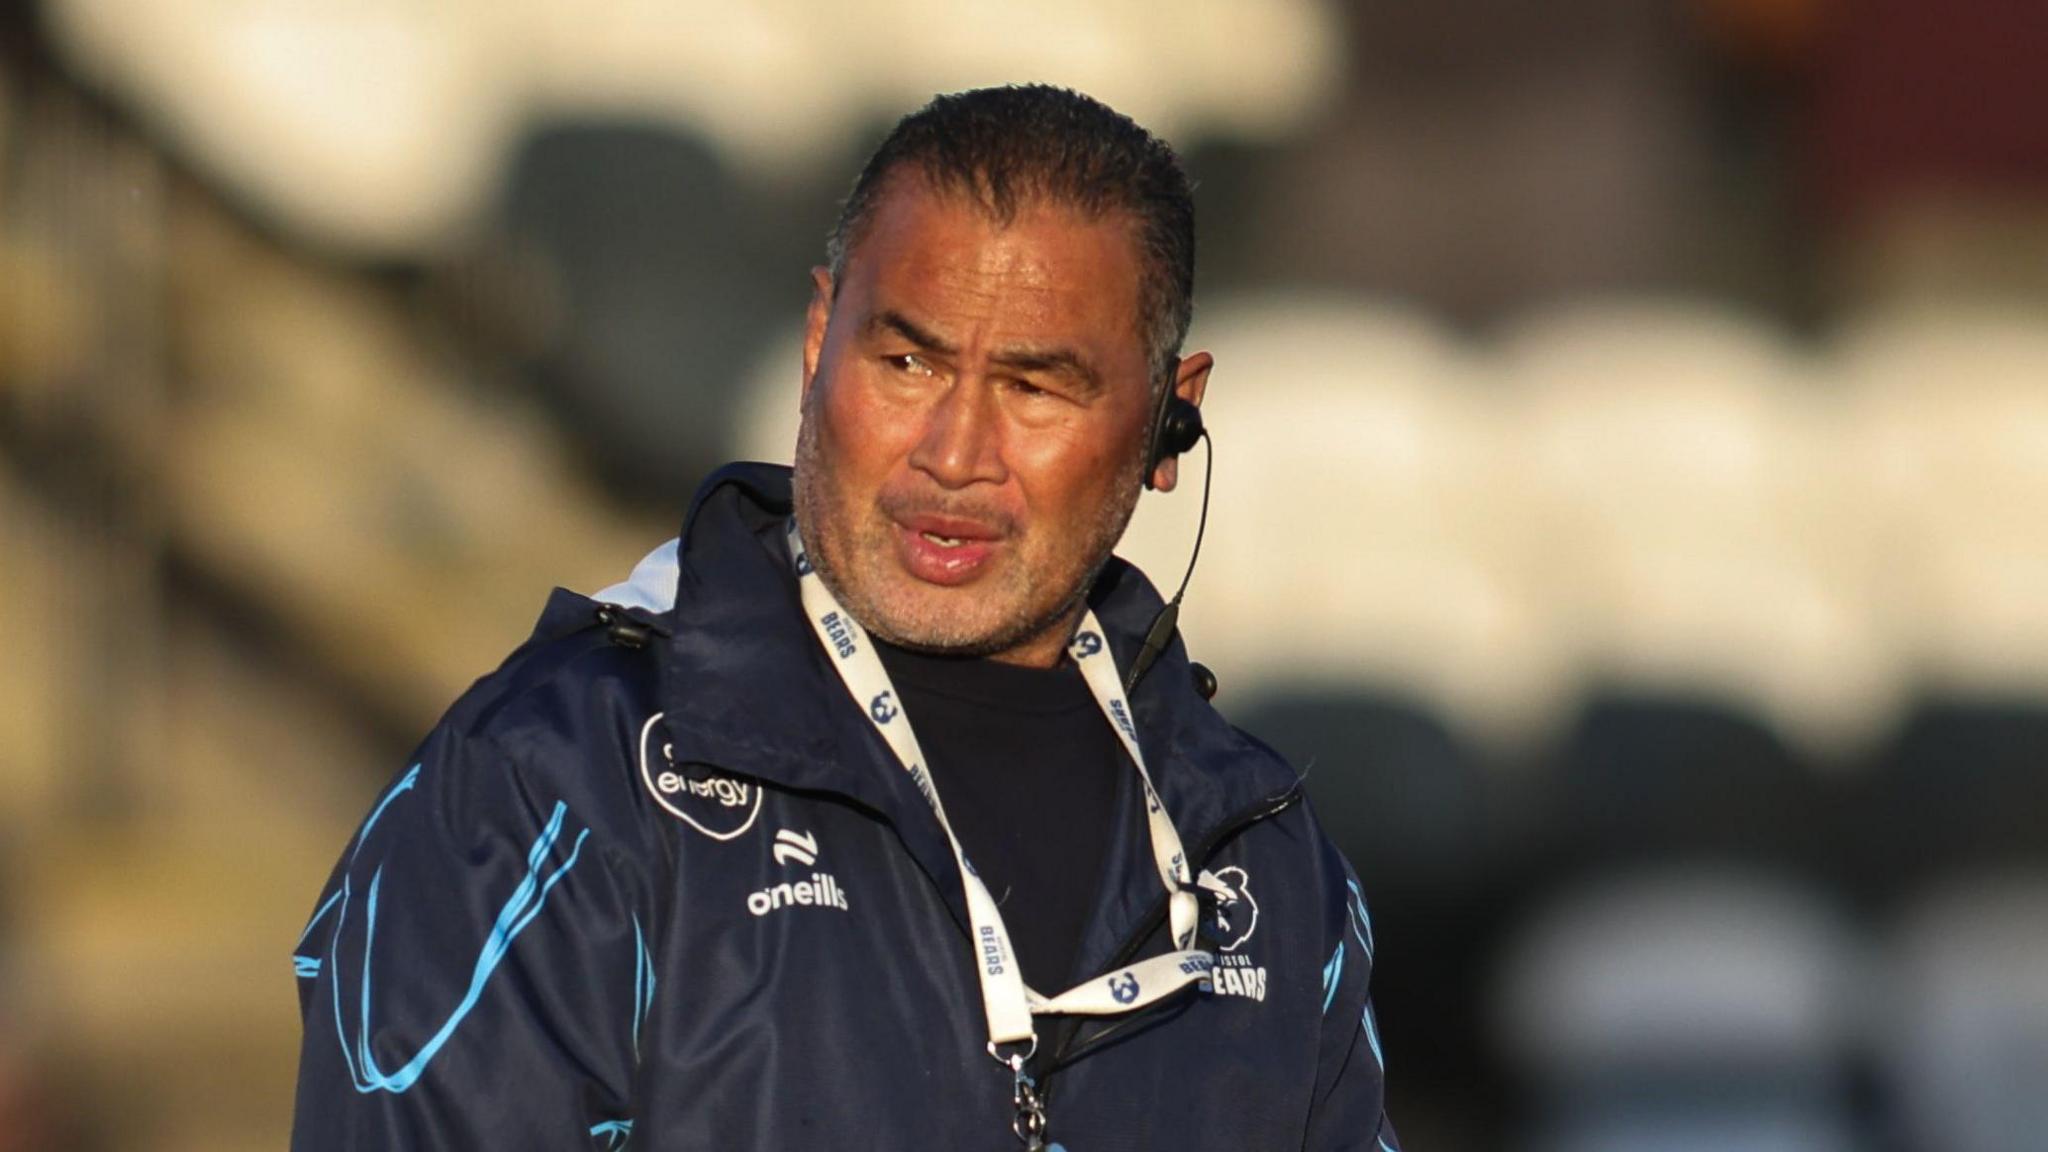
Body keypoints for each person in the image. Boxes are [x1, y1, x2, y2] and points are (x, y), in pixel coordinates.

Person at [290, 84, 1398, 1151]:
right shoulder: (558, 789)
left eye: (1033, 388)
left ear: (1169, 418)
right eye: (906, 361)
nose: (953, 454)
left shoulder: (1262, 862)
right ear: (820, 340)